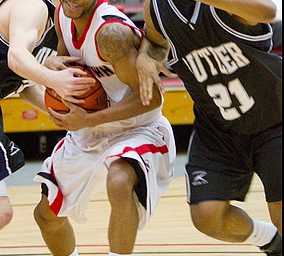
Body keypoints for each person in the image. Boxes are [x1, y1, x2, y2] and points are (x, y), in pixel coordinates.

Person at [135, 0, 282, 255]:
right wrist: (145, 56)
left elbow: (267, 11)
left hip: (273, 116)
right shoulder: (156, 7)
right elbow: (156, 41)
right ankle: (272, 241)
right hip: (217, 128)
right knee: (207, 217)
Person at [32, 0, 176, 255]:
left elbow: (152, 97)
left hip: (136, 126)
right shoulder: (62, 14)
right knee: (46, 216)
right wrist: (53, 65)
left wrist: (89, 120)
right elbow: (70, 68)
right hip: (91, 127)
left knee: (119, 182)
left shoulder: (110, 34)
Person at [0, 0, 97, 255]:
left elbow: (23, 82)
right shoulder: (32, 6)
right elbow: (17, 59)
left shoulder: (54, 20)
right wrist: (56, 81)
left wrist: (63, 115)